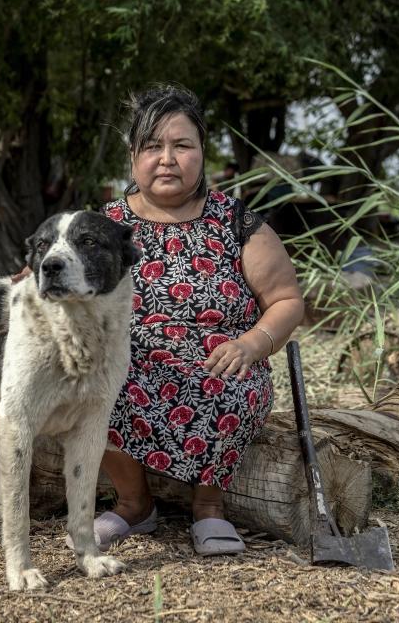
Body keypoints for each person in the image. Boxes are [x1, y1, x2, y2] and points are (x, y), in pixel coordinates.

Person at [87, 84, 304, 556]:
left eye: (181, 146)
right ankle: (133, 504)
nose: (167, 159)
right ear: (132, 157)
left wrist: (253, 343)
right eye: (152, 147)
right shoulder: (101, 228)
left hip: (221, 363)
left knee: (230, 383)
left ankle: (208, 507)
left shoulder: (235, 222)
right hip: (131, 364)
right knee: (94, 383)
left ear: (202, 153)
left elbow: (287, 299)